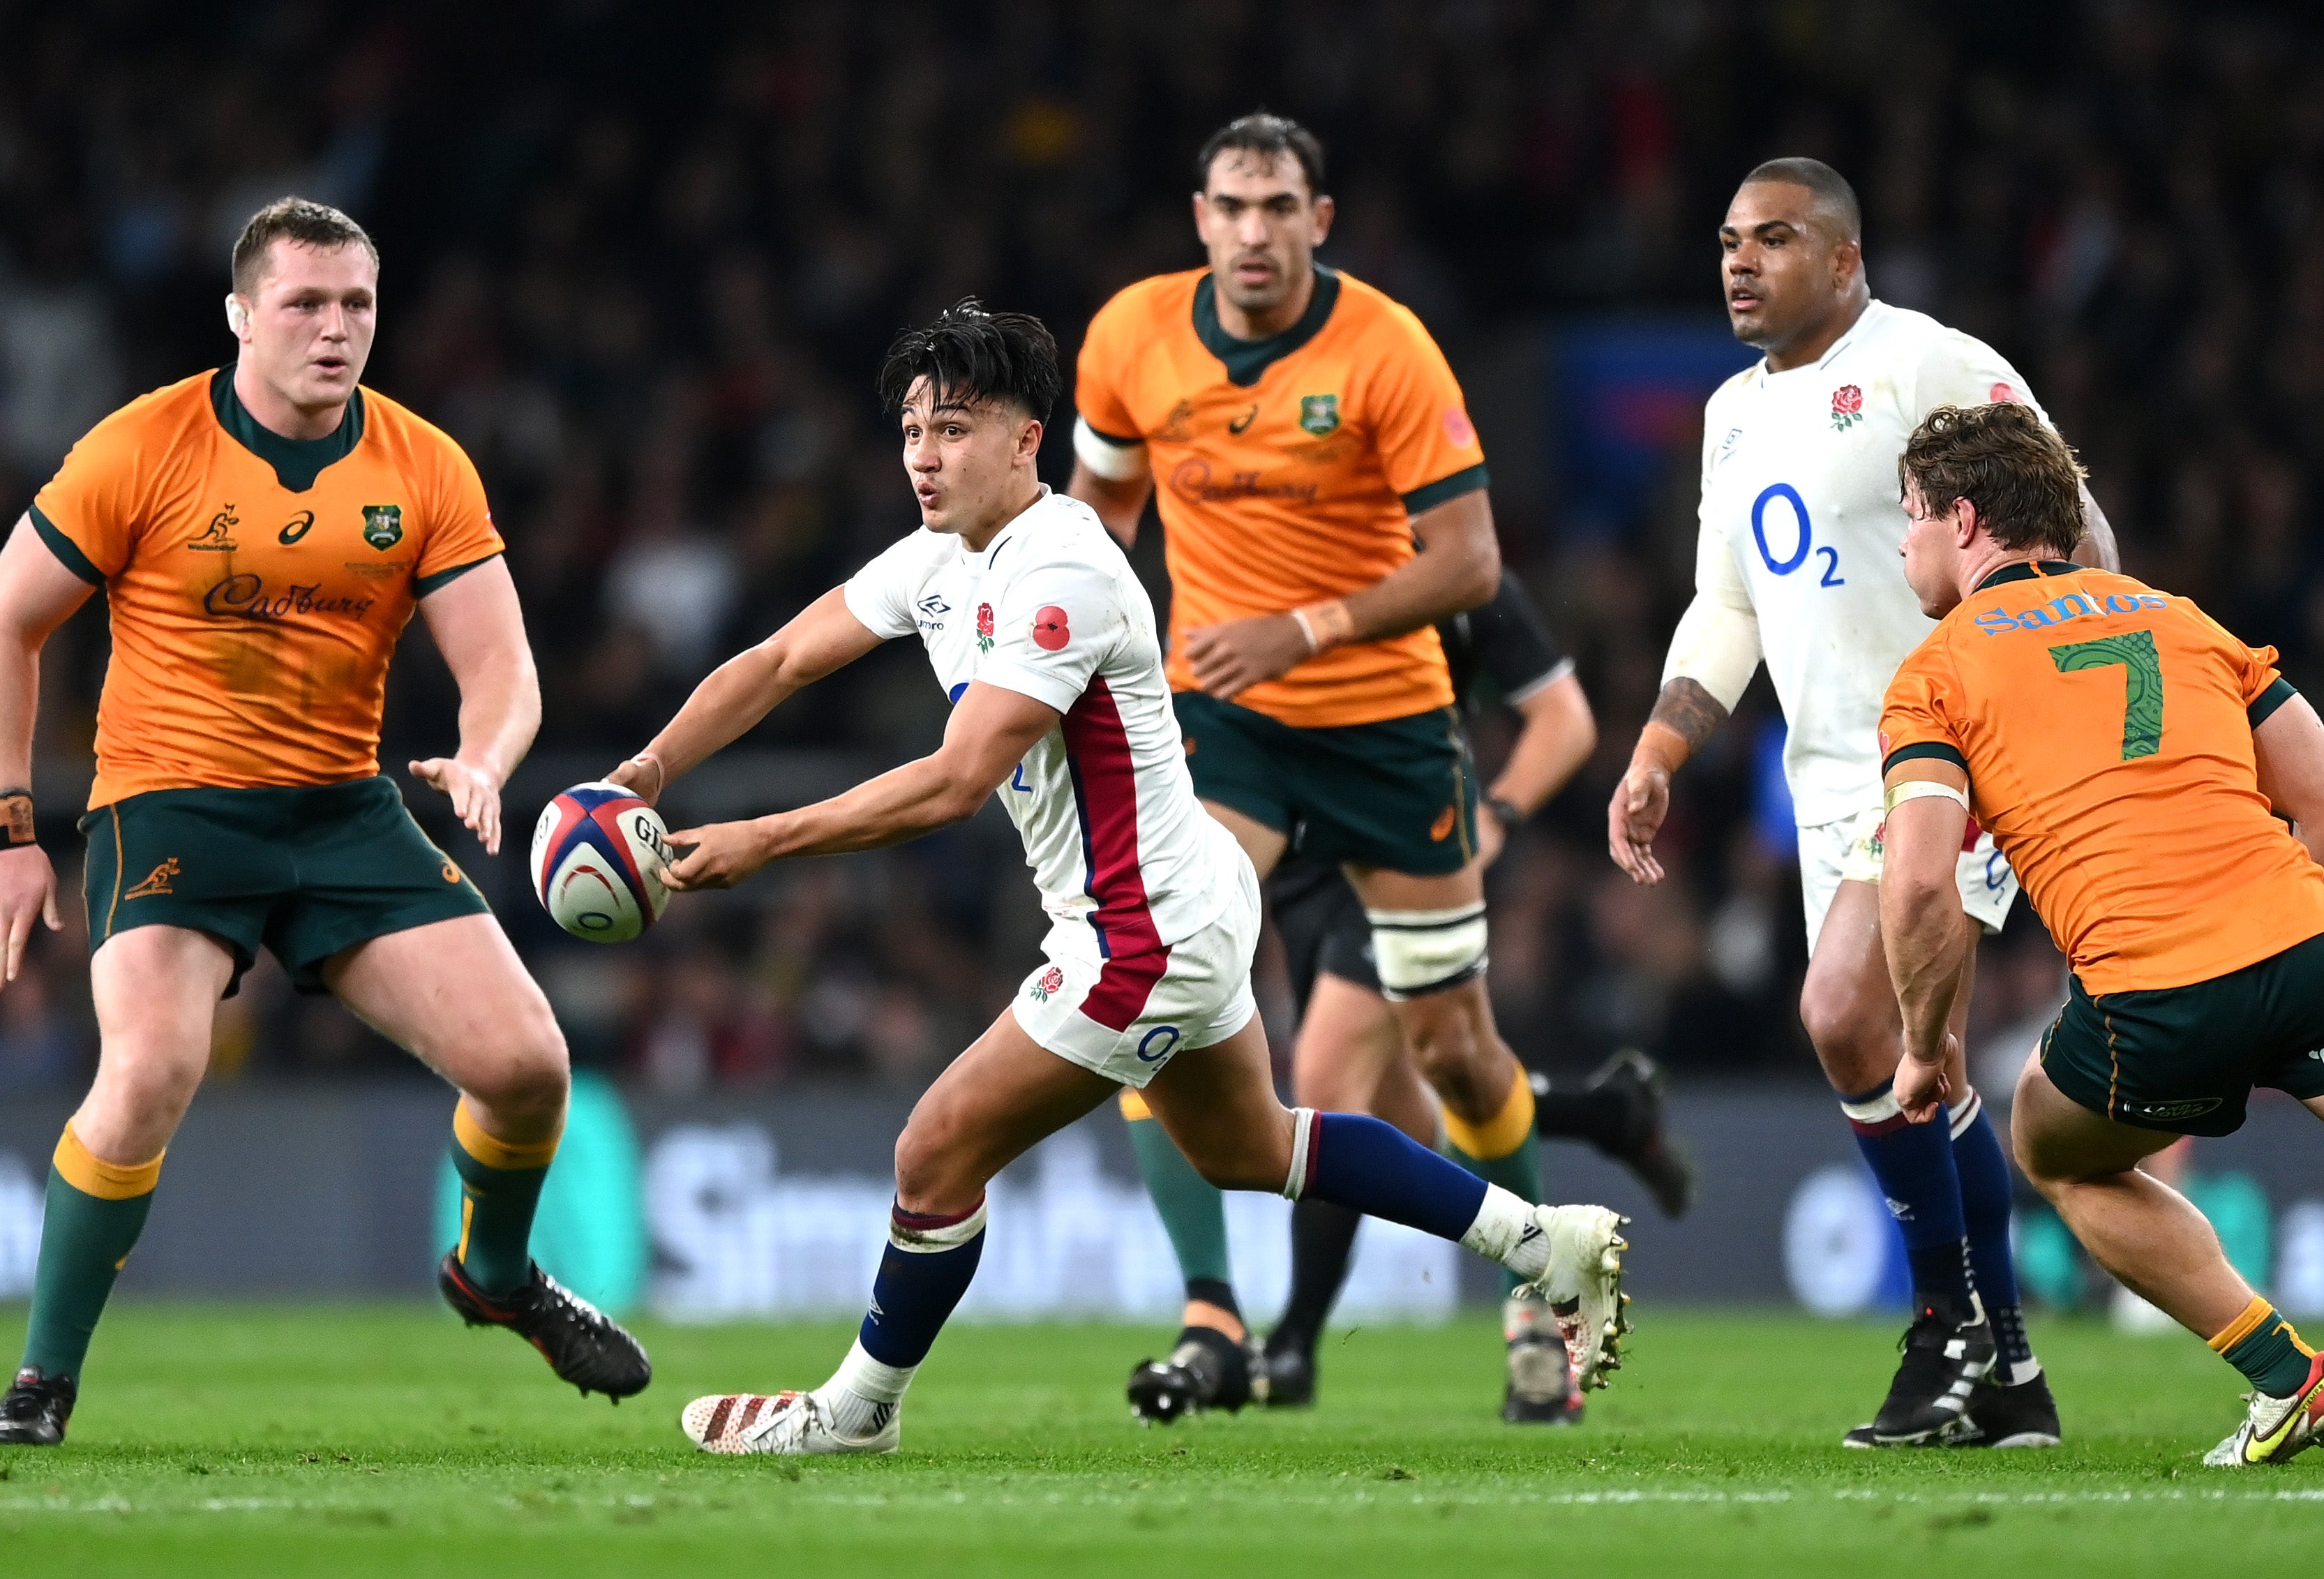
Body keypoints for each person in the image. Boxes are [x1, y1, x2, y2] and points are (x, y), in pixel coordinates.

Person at [608, 303, 1629, 1458]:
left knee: (933, 1149)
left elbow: (954, 782)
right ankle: (1543, 1241)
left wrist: (761, 837)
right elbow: (781, 659)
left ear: (1024, 437)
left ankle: (855, 1411)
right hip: (1177, 897)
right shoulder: (938, 560)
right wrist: (641, 773)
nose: (924, 456)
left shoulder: (1063, 571)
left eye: (952, 427)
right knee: (1255, 1147)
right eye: (909, 431)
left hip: (1141, 933)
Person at [0, 198, 647, 1446]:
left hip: (341, 811)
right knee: (152, 1068)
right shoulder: (141, 447)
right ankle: (41, 1378)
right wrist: (8, 832)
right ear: (240, 315)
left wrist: (488, 755)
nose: (336, 331)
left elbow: (502, 663)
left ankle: (490, 1273)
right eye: (305, 305)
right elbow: (2, 626)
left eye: (358, 306)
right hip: (170, 804)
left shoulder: (424, 461)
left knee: (529, 1065)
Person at [1604, 158, 2119, 1449]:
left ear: (1841, 259)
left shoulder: (1930, 364)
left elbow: (2085, 540)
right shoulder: (1727, 413)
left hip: (1956, 757)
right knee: (1906, 1065)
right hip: (1828, 774)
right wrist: (1662, 743)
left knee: (1840, 1008)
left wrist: (2049, 686)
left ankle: (1944, 1318)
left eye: (1769, 239)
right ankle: (1999, 1365)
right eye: (1726, 239)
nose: (1736, 261)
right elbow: (1730, 603)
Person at [1067, 111, 1568, 1423]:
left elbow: (1468, 562)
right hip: (1219, 723)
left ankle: (1537, 1291)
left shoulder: (1386, 346)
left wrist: (1303, 626)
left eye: (1278, 207)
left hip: (1389, 733)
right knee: (1149, 964)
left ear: (1318, 221)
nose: (1252, 231)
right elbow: (1095, 522)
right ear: (1198, 219)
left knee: (1456, 1051)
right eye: (1230, 206)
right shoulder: (1128, 338)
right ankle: (1210, 1313)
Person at [1879, 399, 2324, 1467]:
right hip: (2311, 953)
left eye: (1912, 516)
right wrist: (2301, 976)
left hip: (2151, 1000)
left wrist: (1926, 1045)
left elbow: (1923, 881)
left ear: (1965, 520)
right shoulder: (2176, 613)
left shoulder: (1937, 671)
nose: (1903, 542)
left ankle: (2289, 1375)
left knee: (2052, 1147)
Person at [1119, 572, 1695, 1427]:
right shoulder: (1253, 532)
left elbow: (1564, 716)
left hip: (1395, 834)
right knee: (1409, 1097)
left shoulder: (1456, 563)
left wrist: (1495, 813)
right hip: (1296, 863)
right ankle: (1602, 1112)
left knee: (1329, 1076)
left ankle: (1331, 1340)